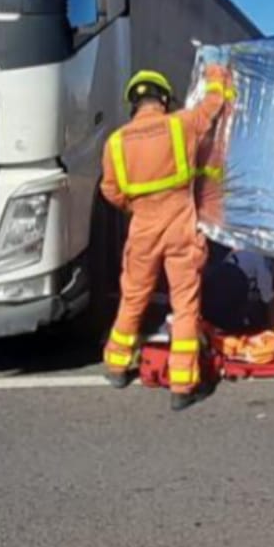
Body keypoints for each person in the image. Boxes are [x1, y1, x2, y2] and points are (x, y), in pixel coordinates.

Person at [100, 65, 232, 411]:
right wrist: (217, 77)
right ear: (163, 98)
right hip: (180, 225)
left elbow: (110, 191)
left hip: (142, 226)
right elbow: (212, 107)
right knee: (185, 304)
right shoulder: (180, 124)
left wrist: (139, 206)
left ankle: (116, 364)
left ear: (134, 103)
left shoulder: (115, 143)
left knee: (133, 297)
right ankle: (182, 386)